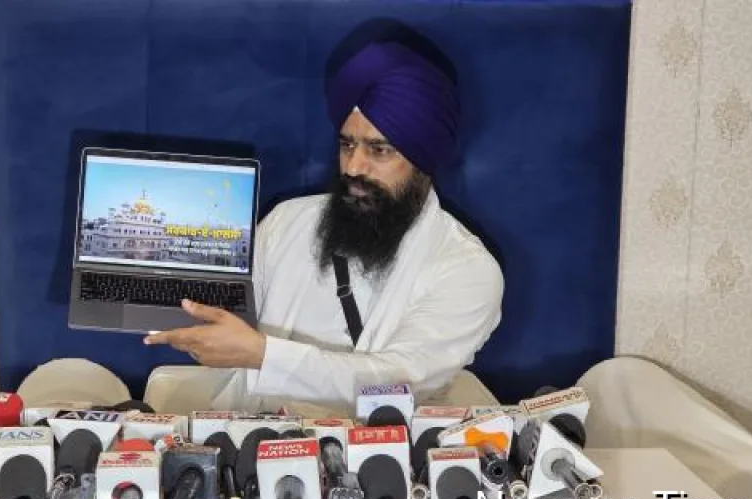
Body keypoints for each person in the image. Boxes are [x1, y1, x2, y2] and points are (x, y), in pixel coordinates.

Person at [144, 39, 504, 415]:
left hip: (379, 447)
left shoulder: (468, 270)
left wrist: (264, 355)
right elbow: (228, 313)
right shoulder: (288, 221)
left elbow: (397, 382)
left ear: (423, 162)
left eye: (379, 150)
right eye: (347, 145)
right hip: (248, 433)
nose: (353, 167)